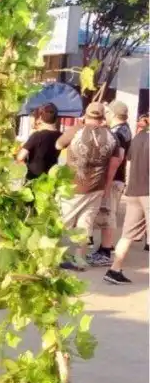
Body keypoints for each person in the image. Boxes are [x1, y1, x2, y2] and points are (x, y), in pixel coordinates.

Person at [55, 102, 123, 271]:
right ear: (102, 117)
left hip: (72, 186)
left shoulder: (76, 130)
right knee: (85, 224)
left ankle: (52, 258)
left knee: (62, 222)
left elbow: (58, 145)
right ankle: (79, 259)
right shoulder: (111, 136)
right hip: (96, 187)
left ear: (86, 115)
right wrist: (107, 187)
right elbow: (115, 162)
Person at [87, 100, 132, 267]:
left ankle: (105, 251)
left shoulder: (118, 133)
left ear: (112, 113)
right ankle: (103, 248)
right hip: (116, 179)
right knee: (108, 214)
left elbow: (116, 159)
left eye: (107, 112)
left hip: (113, 179)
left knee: (108, 214)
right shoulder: (124, 129)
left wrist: (106, 183)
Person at [103, 123, 149, 284]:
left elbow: (129, 159)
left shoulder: (139, 137)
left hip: (134, 191)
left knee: (127, 235)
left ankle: (114, 270)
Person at [16, 102, 61, 181]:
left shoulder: (37, 136)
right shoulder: (60, 135)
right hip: (51, 177)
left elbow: (20, 157)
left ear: (40, 117)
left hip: (34, 178)